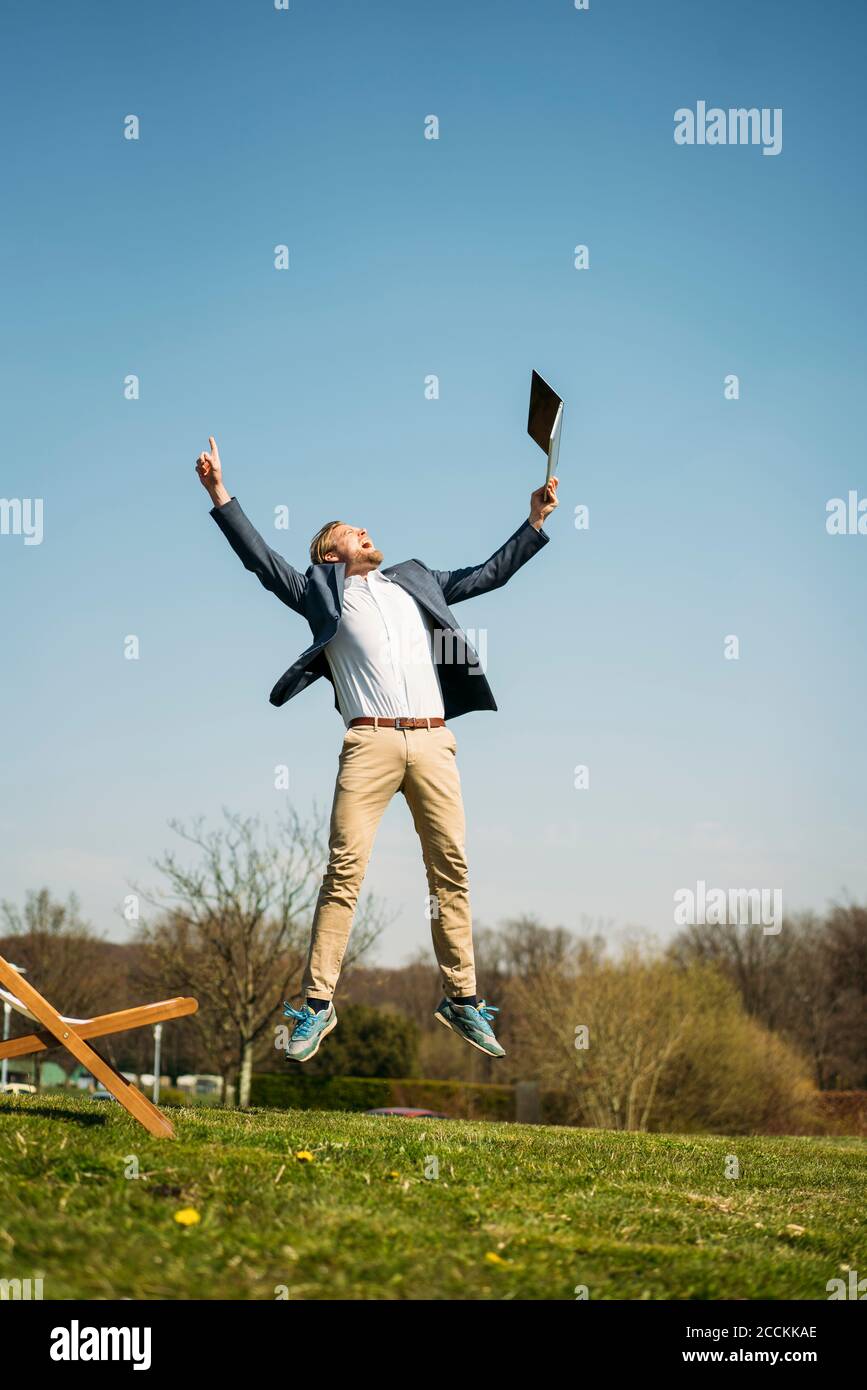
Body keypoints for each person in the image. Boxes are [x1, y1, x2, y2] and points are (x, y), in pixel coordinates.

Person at [196, 436, 558, 1062]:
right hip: (369, 741)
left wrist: (534, 521)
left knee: (452, 870)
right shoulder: (319, 591)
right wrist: (219, 494)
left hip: (434, 740)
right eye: (348, 529)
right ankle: (315, 1004)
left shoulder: (414, 580)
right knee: (344, 871)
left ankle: (463, 998)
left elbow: (486, 574)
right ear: (330, 551)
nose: (364, 529)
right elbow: (259, 560)